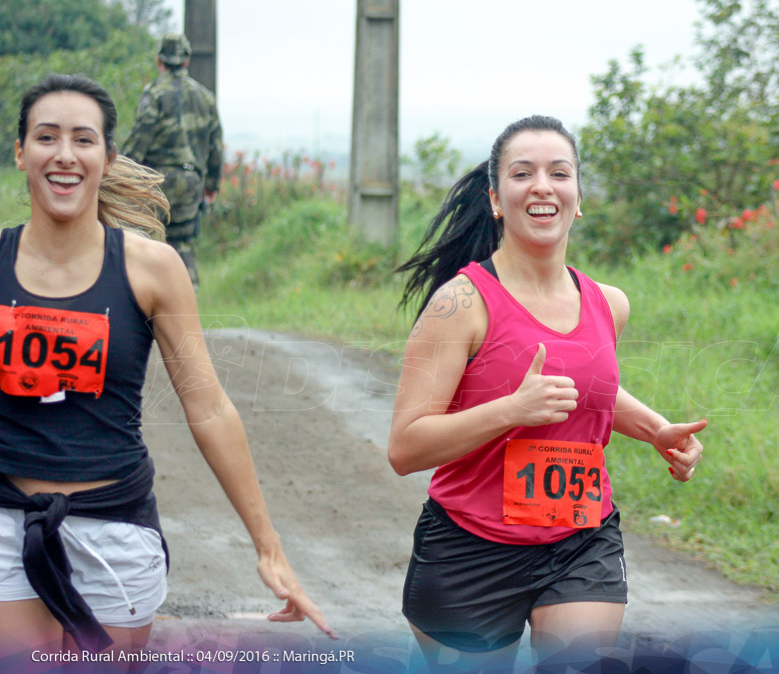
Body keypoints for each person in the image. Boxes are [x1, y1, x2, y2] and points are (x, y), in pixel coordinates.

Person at [0, 74, 334, 658]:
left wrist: (268, 545)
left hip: (116, 533)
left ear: (107, 156)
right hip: (8, 525)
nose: (64, 154)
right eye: (46, 137)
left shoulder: (153, 269)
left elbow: (207, 406)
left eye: (83, 139)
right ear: (21, 152)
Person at [388, 114, 707, 669]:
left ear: (577, 198)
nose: (542, 186)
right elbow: (406, 447)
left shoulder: (609, 303)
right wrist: (511, 410)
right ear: (495, 198)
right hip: (471, 547)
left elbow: (584, 389)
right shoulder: (459, 305)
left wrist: (657, 430)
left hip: (580, 540)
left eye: (559, 173)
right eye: (522, 173)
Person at [122, 33, 222, 290]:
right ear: (186, 61)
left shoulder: (154, 94)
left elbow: (140, 138)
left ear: (160, 61)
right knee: (182, 244)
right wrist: (211, 185)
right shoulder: (206, 97)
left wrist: (121, 173)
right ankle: (186, 308)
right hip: (191, 183)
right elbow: (216, 146)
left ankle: (142, 303)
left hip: (156, 182)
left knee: (141, 241)